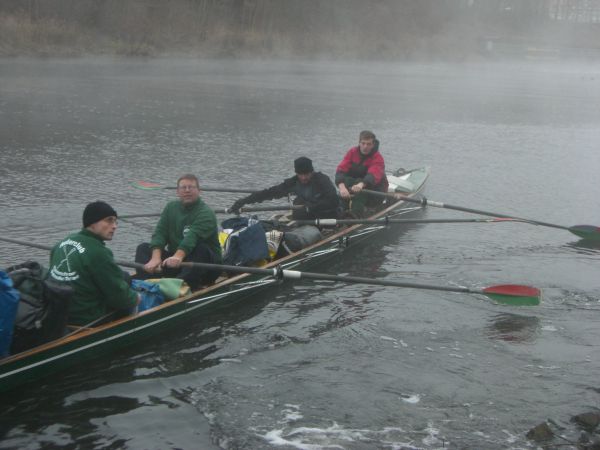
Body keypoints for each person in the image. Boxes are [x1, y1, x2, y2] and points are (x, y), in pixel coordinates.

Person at [48, 201, 139, 326]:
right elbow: (120, 298)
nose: (114, 226)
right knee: (129, 299)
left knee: (125, 276)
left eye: (115, 221)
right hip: (87, 318)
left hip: (59, 313)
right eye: (109, 220)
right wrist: (136, 298)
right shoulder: (99, 252)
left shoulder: (60, 244)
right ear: (92, 223)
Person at [135, 174, 222, 290]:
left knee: (201, 249)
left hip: (205, 267)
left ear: (199, 191)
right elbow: (160, 233)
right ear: (177, 192)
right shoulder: (171, 207)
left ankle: (180, 288)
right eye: (183, 187)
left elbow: (192, 237)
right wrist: (156, 258)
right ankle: (147, 286)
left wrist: (177, 256)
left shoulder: (206, 213)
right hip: (177, 263)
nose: (187, 190)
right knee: (143, 248)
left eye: (191, 187)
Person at [229, 157, 340, 220]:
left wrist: (310, 207)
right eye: (300, 174)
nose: (304, 177)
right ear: (296, 173)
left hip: (327, 216)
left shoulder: (322, 180)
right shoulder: (293, 182)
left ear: (312, 171)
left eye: (306, 174)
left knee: (299, 205)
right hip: (307, 215)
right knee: (298, 204)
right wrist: (243, 201)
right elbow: (269, 193)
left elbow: (333, 201)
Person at [335, 130, 389, 217]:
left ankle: (355, 215)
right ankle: (341, 212)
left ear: (373, 145)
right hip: (355, 186)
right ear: (359, 142)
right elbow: (341, 169)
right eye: (363, 143)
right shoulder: (352, 152)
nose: (365, 147)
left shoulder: (378, 158)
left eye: (368, 144)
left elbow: (372, 174)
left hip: (375, 191)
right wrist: (341, 187)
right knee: (345, 181)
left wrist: (361, 184)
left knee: (360, 189)